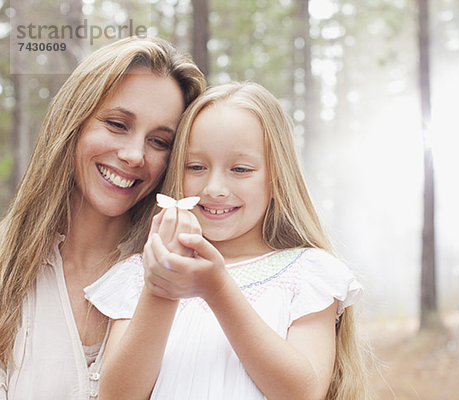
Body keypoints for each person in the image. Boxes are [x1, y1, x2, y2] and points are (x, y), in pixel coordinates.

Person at [91, 81, 368, 399]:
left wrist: (218, 290)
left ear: (276, 178)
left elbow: (302, 392)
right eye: (196, 166)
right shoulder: (140, 273)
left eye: (240, 168)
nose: (214, 188)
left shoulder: (307, 275)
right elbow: (118, 395)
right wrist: (160, 290)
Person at [0, 36, 205, 400]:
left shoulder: (193, 279)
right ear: (73, 121)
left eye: (159, 142)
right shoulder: (6, 260)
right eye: (116, 124)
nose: (133, 155)